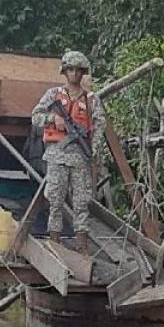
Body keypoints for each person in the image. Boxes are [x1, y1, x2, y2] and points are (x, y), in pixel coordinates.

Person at [31, 51, 107, 253]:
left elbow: (99, 126)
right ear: (64, 72)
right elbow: (36, 116)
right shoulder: (53, 95)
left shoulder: (91, 99)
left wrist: (94, 149)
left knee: (82, 201)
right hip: (57, 154)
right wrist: (52, 119)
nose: (74, 74)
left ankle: (81, 244)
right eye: (70, 69)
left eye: (78, 70)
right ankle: (55, 241)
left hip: (80, 157)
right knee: (55, 199)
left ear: (83, 73)